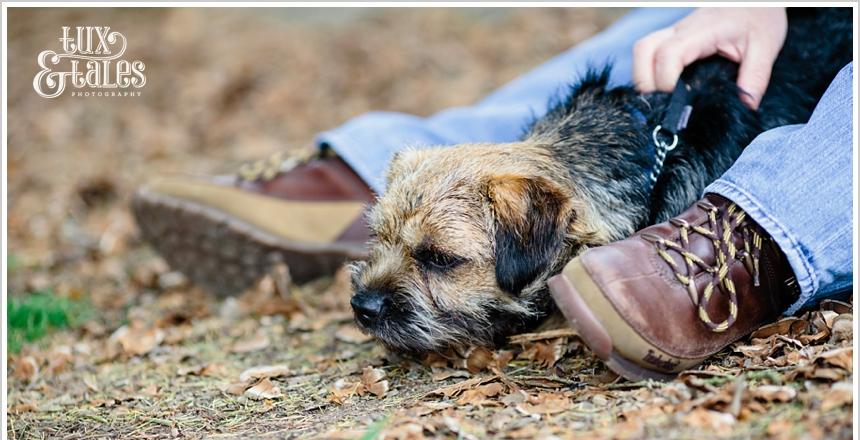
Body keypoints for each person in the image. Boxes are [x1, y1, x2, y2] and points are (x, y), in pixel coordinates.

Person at [133, 7, 852, 379]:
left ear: (540, 238)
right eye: (385, 244)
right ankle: (363, 162)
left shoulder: (532, 211)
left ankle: (763, 232)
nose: (371, 294)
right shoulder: (528, 207)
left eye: (438, 260)